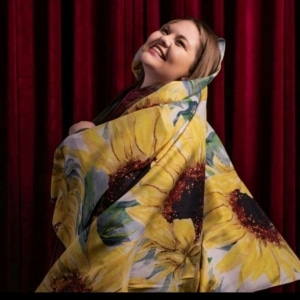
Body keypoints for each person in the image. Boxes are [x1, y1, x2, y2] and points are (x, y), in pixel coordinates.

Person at [36, 18, 300, 293]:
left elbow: (114, 177)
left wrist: (80, 139)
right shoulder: (141, 101)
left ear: (190, 75)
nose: (164, 39)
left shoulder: (171, 117)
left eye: (180, 43)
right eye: (165, 30)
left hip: (138, 259)